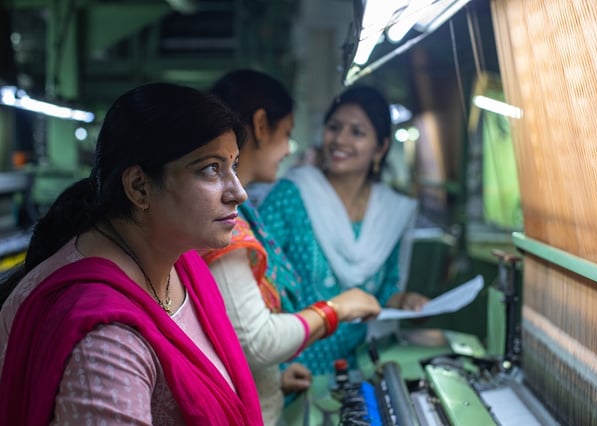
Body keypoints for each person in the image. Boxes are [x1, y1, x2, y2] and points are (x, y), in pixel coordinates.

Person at [0, 82, 263, 425]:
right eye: (211, 168)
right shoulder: (104, 344)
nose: (238, 192)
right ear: (139, 186)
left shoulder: (179, 264)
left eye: (234, 165)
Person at [200, 69, 381, 425]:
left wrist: (271, 379)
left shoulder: (242, 211)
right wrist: (336, 308)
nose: (288, 149)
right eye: (286, 134)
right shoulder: (226, 220)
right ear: (261, 125)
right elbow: (256, 340)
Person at [259, 85, 429, 375]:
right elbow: (258, 279)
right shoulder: (293, 195)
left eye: (357, 132)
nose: (340, 140)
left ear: (381, 147)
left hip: (357, 369)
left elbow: (386, 290)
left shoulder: (390, 212)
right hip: (291, 368)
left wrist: (406, 302)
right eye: (334, 127)